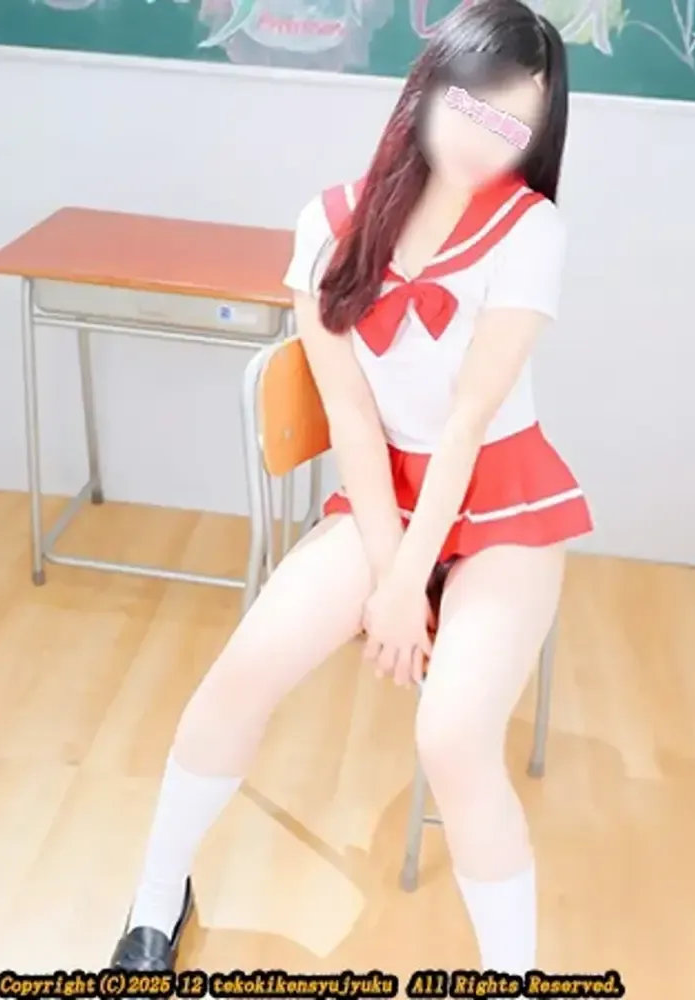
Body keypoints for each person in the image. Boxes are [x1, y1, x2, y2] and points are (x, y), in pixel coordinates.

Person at [110, 0, 592, 975]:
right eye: (475, 102)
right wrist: (390, 571)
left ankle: (513, 975)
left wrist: (408, 582)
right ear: (431, 85)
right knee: (241, 671)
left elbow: (467, 423)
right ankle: (158, 897)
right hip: (383, 497)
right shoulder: (327, 225)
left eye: (516, 122)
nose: (485, 134)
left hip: (504, 501)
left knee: (453, 737)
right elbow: (355, 419)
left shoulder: (530, 230)